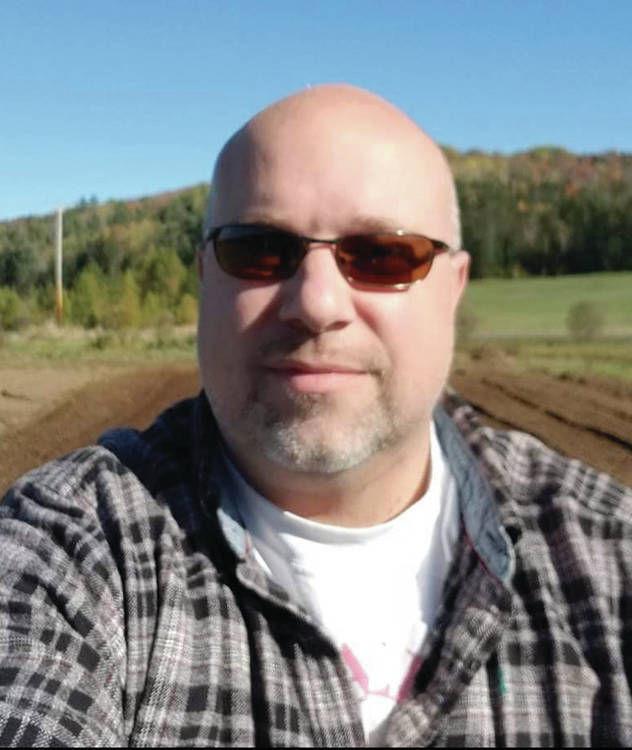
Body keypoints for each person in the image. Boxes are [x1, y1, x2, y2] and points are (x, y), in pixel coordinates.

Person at [0, 84, 630, 747]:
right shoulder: (68, 554)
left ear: (453, 288)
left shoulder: (610, 559)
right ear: (206, 277)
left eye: (382, 255)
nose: (317, 303)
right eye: (258, 249)